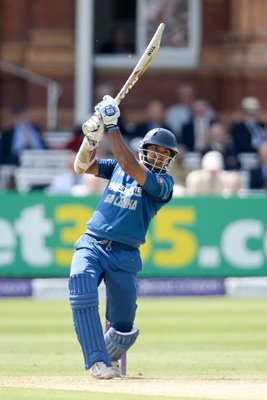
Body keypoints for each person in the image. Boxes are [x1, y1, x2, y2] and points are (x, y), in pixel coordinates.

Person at [69, 95, 178, 379]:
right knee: (81, 288)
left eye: (164, 153)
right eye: (153, 150)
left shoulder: (164, 184)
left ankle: (111, 356)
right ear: (143, 149)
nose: (157, 155)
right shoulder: (119, 165)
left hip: (125, 253)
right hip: (92, 242)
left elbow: (131, 166)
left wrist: (112, 125)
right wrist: (91, 139)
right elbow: (82, 166)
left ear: (170, 160)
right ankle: (97, 361)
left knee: (123, 327)